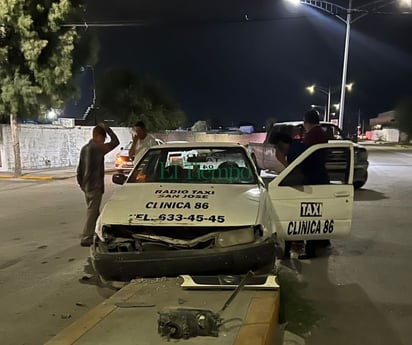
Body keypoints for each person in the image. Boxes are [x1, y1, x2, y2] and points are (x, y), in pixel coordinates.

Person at [77, 123, 119, 247]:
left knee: (94, 211)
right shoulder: (97, 148)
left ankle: (98, 233)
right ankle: (86, 237)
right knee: (92, 212)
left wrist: (82, 184)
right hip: (95, 186)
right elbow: (116, 142)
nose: (103, 141)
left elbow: (79, 169)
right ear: (96, 135)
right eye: (103, 138)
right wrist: (108, 129)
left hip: (86, 186)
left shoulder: (85, 148)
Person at [299, 109, 330, 259]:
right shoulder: (322, 133)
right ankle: (324, 240)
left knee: (310, 214)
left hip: (313, 179)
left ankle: (310, 250)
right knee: (320, 212)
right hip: (321, 176)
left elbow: (304, 156)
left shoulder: (312, 135)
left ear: (307, 122)